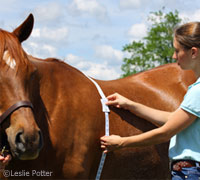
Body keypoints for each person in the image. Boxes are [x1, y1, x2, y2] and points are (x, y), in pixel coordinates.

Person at [100, 22, 200, 180]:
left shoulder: (198, 91)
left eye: (177, 50)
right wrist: (131, 105)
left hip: (190, 173)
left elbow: (166, 132)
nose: (174, 56)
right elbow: (173, 119)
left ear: (193, 52)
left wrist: (122, 143)